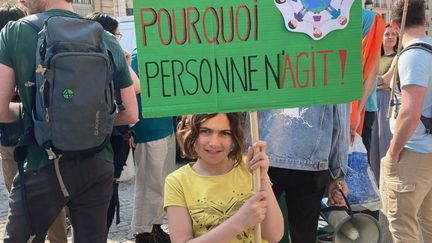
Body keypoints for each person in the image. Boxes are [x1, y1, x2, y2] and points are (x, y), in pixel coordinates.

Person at [0, 0, 138, 242]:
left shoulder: (15, 31)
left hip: (41, 163)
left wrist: (39, 115)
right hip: (97, 162)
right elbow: (130, 114)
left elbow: (1, 110)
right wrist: (88, 121)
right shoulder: (105, 37)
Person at [0, 4, 68, 243]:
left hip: (13, 139)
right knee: (52, 197)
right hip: (48, 139)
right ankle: (57, 238)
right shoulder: (32, 43)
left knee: (20, 203)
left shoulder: (10, 44)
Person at [164, 113, 284, 242]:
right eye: (205, 131)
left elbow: (275, 235)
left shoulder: (250, 169)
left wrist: (262, 177)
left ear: (234, 137)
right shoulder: (177, 182)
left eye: (224, 133)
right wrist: (239, 222)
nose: (214, 143)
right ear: (191, 134)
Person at [258, 105, 349, 243]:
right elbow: (340, 120)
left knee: (255, 230)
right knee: (304, 234)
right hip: (312, 161)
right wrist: (337, 174)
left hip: (263, 153)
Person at [381, 0, 432, 242]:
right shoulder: (424, 52)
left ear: (394, 24)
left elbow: (410, 112)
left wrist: (393, 150)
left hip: (413, 152)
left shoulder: (413, 56)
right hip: (427, 151)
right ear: (425, 20)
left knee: (404, 230)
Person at [86, 11, 140, 231]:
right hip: (110, 140)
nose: (118, 40)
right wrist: (124, 61)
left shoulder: (86, 61)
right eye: (116, 36)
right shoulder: (108, 57)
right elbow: (137, 87)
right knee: (105, 198)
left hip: (91, 140)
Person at [130, 48, 176, 243]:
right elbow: (133, 88)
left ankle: (154, 225)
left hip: (165, 124)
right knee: (149, 182)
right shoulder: (137, 56)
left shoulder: (164, 53)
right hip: (148, 127)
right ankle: (143, 231)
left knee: (162, 181)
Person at [351, 8, 386, 145]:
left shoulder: (370, 19)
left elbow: (372, 69)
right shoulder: (370, 18)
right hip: (359, 107)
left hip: (360, 107)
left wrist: (358, 111)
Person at [370, 24, 398, 182]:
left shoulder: (397, 57)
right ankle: (376, 183)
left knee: (385, 141)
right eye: (387, 34)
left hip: (386, 101)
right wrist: (377, 82)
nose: (390, 37)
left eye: (393, 34)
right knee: (373, 144)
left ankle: (387, 181)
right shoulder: (376, 57)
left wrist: (372, 82)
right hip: (373, 100)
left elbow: (388, 80)